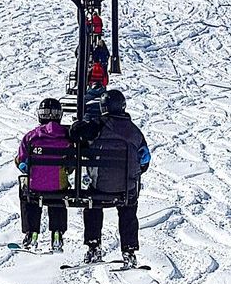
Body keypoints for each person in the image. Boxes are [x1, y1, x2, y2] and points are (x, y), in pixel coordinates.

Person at [79, 89, 150, 267]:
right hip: (125, 189)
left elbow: (76, 133)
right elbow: (145, 159)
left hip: (100, 187)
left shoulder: (97, 126)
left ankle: (94, 247)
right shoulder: (134, 131)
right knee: (128, 207)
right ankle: (129, 250)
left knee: (92, 203)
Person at [15, 98, 69, 252]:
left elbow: (22, 160)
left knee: (27, 192)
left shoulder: (31, 137)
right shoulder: (66, 137)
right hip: (59, 185)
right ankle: (57, 234)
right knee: (59, 194)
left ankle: (31, 233)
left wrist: (23, 165)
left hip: (35, 184)